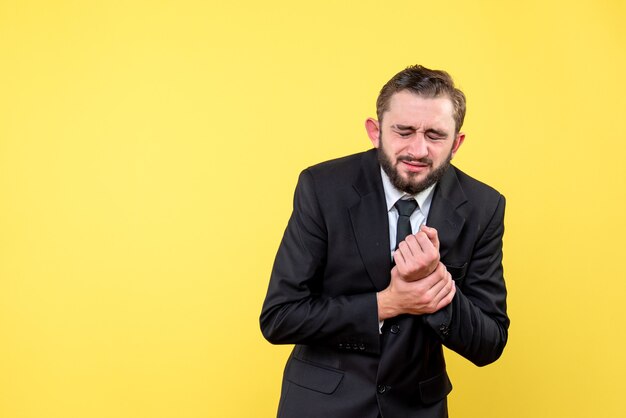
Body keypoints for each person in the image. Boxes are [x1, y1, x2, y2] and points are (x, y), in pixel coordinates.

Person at [260, 65, 509, 418]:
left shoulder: (484, 207)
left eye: (435, 135)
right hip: (321, 405)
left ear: (457, 143)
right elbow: (280, 317)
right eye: (403, 131)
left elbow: (490, 342)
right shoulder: (322, 187)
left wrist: (437, 290)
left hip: (418, 409)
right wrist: (387, 303)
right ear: (375, 131)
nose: (418, 149)